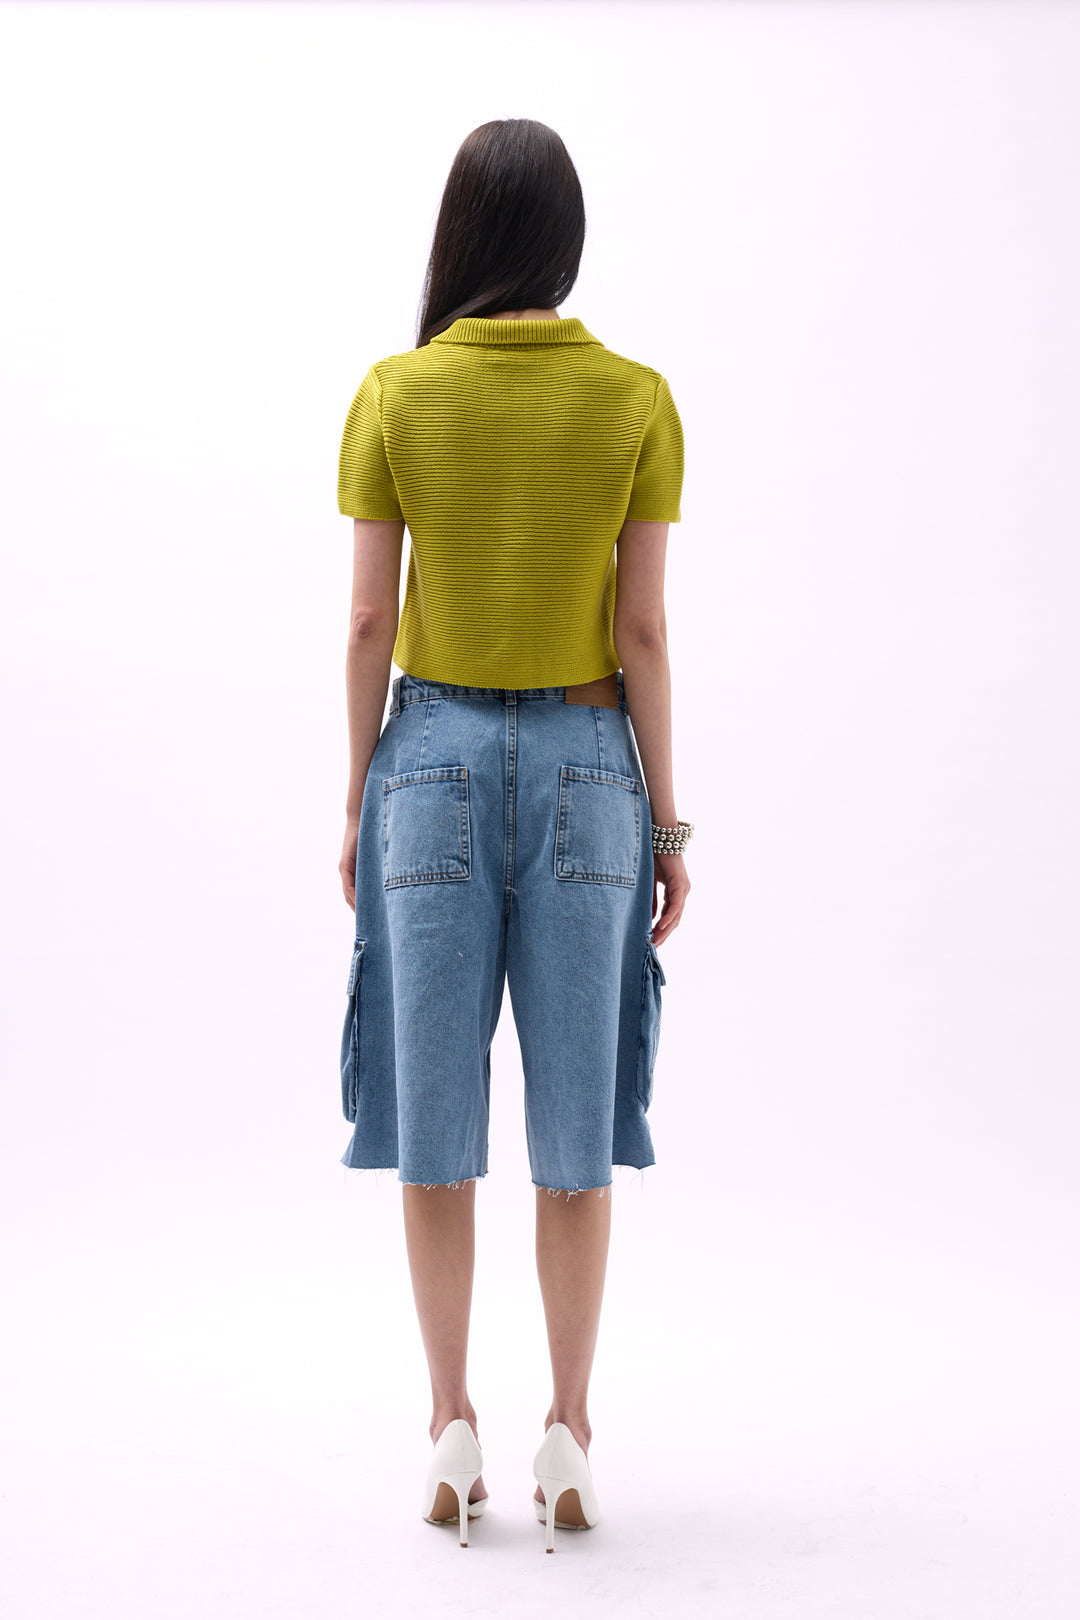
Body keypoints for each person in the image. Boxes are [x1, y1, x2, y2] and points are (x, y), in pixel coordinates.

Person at [335, 118, 691, 1551]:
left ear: (462, 235)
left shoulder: (395, 393)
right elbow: (643, 630)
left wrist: (356, 796)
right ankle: (570, 1431)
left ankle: (449, 1420)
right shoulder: (636, 400)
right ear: (566, 241)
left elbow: (370, 620)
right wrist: (669, 825)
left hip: (425, 767)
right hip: (589, 773)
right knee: (573, 1125)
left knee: (436, 1123)